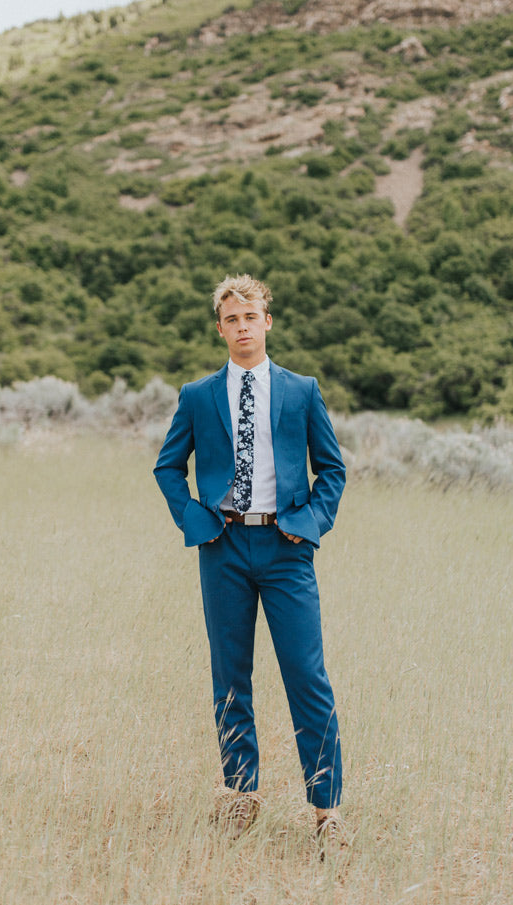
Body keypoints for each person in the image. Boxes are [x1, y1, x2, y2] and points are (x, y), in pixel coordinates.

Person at [153, 274, 347, 849]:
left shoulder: (301, 390)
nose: (242, 327)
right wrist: (195, 519)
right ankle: (241, 796)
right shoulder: (197, 395)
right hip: (225, 547)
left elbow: (331, 469)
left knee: (306, 676)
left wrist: (308, 526)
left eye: (251, 316)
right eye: (231, 319)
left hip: (286, 549)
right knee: (230, 675)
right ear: (221, 328)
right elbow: (168, 466)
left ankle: (326, 808)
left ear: (268, 321)